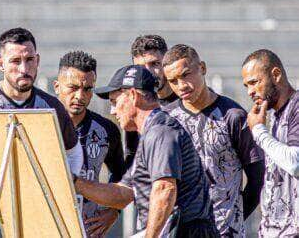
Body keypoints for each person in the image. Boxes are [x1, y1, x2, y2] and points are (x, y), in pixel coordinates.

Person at [73, 65, 217, 237]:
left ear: (133, 96)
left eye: (114, 101)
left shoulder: (160, 131)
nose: (112, 110)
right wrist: (74, 182)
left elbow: (164, 189)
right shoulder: (151, 133)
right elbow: (123, 193)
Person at [162, 44, 265, 237]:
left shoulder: (233, 116)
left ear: (202, 68)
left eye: (186, 75)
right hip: (179, 231)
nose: (181, 85)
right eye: (173, 81)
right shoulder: (166, 119)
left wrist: (234, 217)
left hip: (225, 232)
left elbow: (257, 177)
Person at [0, 27, 83, 175]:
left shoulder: (52, 107)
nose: (24, 69)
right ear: (1, 64)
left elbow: (73, 153)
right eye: (15, 61)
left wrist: (65, 185)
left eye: (29, 60)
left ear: (37, 60)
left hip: (37, 197)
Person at [53, 51, 126, 237]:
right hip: (46, 225)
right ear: (56, 86)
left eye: (87, 89)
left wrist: (114, 211)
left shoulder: (106, 130)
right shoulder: (40, 124)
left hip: (88, 229)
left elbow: (120, 174)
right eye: (72, 87)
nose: (80, 95)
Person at [241, 49, 298, 237]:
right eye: (246, 86)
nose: (250, 91)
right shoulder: (272, 115)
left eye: (254, 82)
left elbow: (295, 162)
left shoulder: (296, 107)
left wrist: (258, 131)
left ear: (276, 75)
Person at [125, 35, 178, 170]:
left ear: (166, 63)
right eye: (141, 67)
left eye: (154, 64)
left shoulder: (187, 100)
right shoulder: (135, 105)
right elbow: (132, 156)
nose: (148, 72)